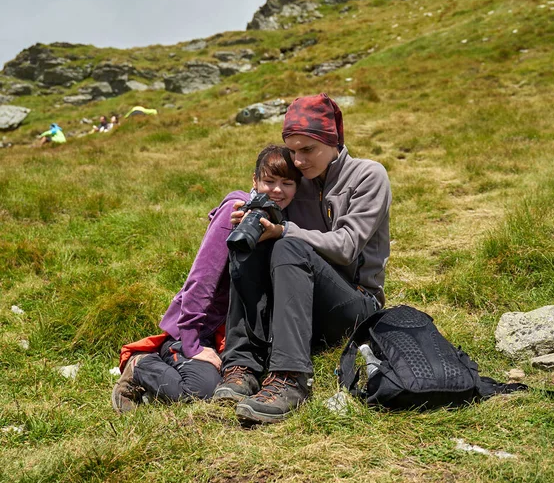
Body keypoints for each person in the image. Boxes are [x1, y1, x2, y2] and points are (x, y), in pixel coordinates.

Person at [212, 93, 392, 425]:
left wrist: (284, 230)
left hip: (358, 306)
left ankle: (291, 379)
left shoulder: (368, 176)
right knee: (251, 244)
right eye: (292, 150)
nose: (297, 160)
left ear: (332, 141)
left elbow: (346, 246)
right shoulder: (298, 183)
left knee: (288, 245)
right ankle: (242, 366)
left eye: (307, 150)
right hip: (303, 308)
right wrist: (254, 215)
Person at [111, 145, 301, 413]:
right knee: (199, 391)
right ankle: (142, 365)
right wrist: (192, 342)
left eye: (287, 183)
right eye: (269, 181)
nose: (277, 190)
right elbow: (201, 277)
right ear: (255, 180)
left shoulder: (285, 221)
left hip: (238, 334)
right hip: (202, 329)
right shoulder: (235, 211)